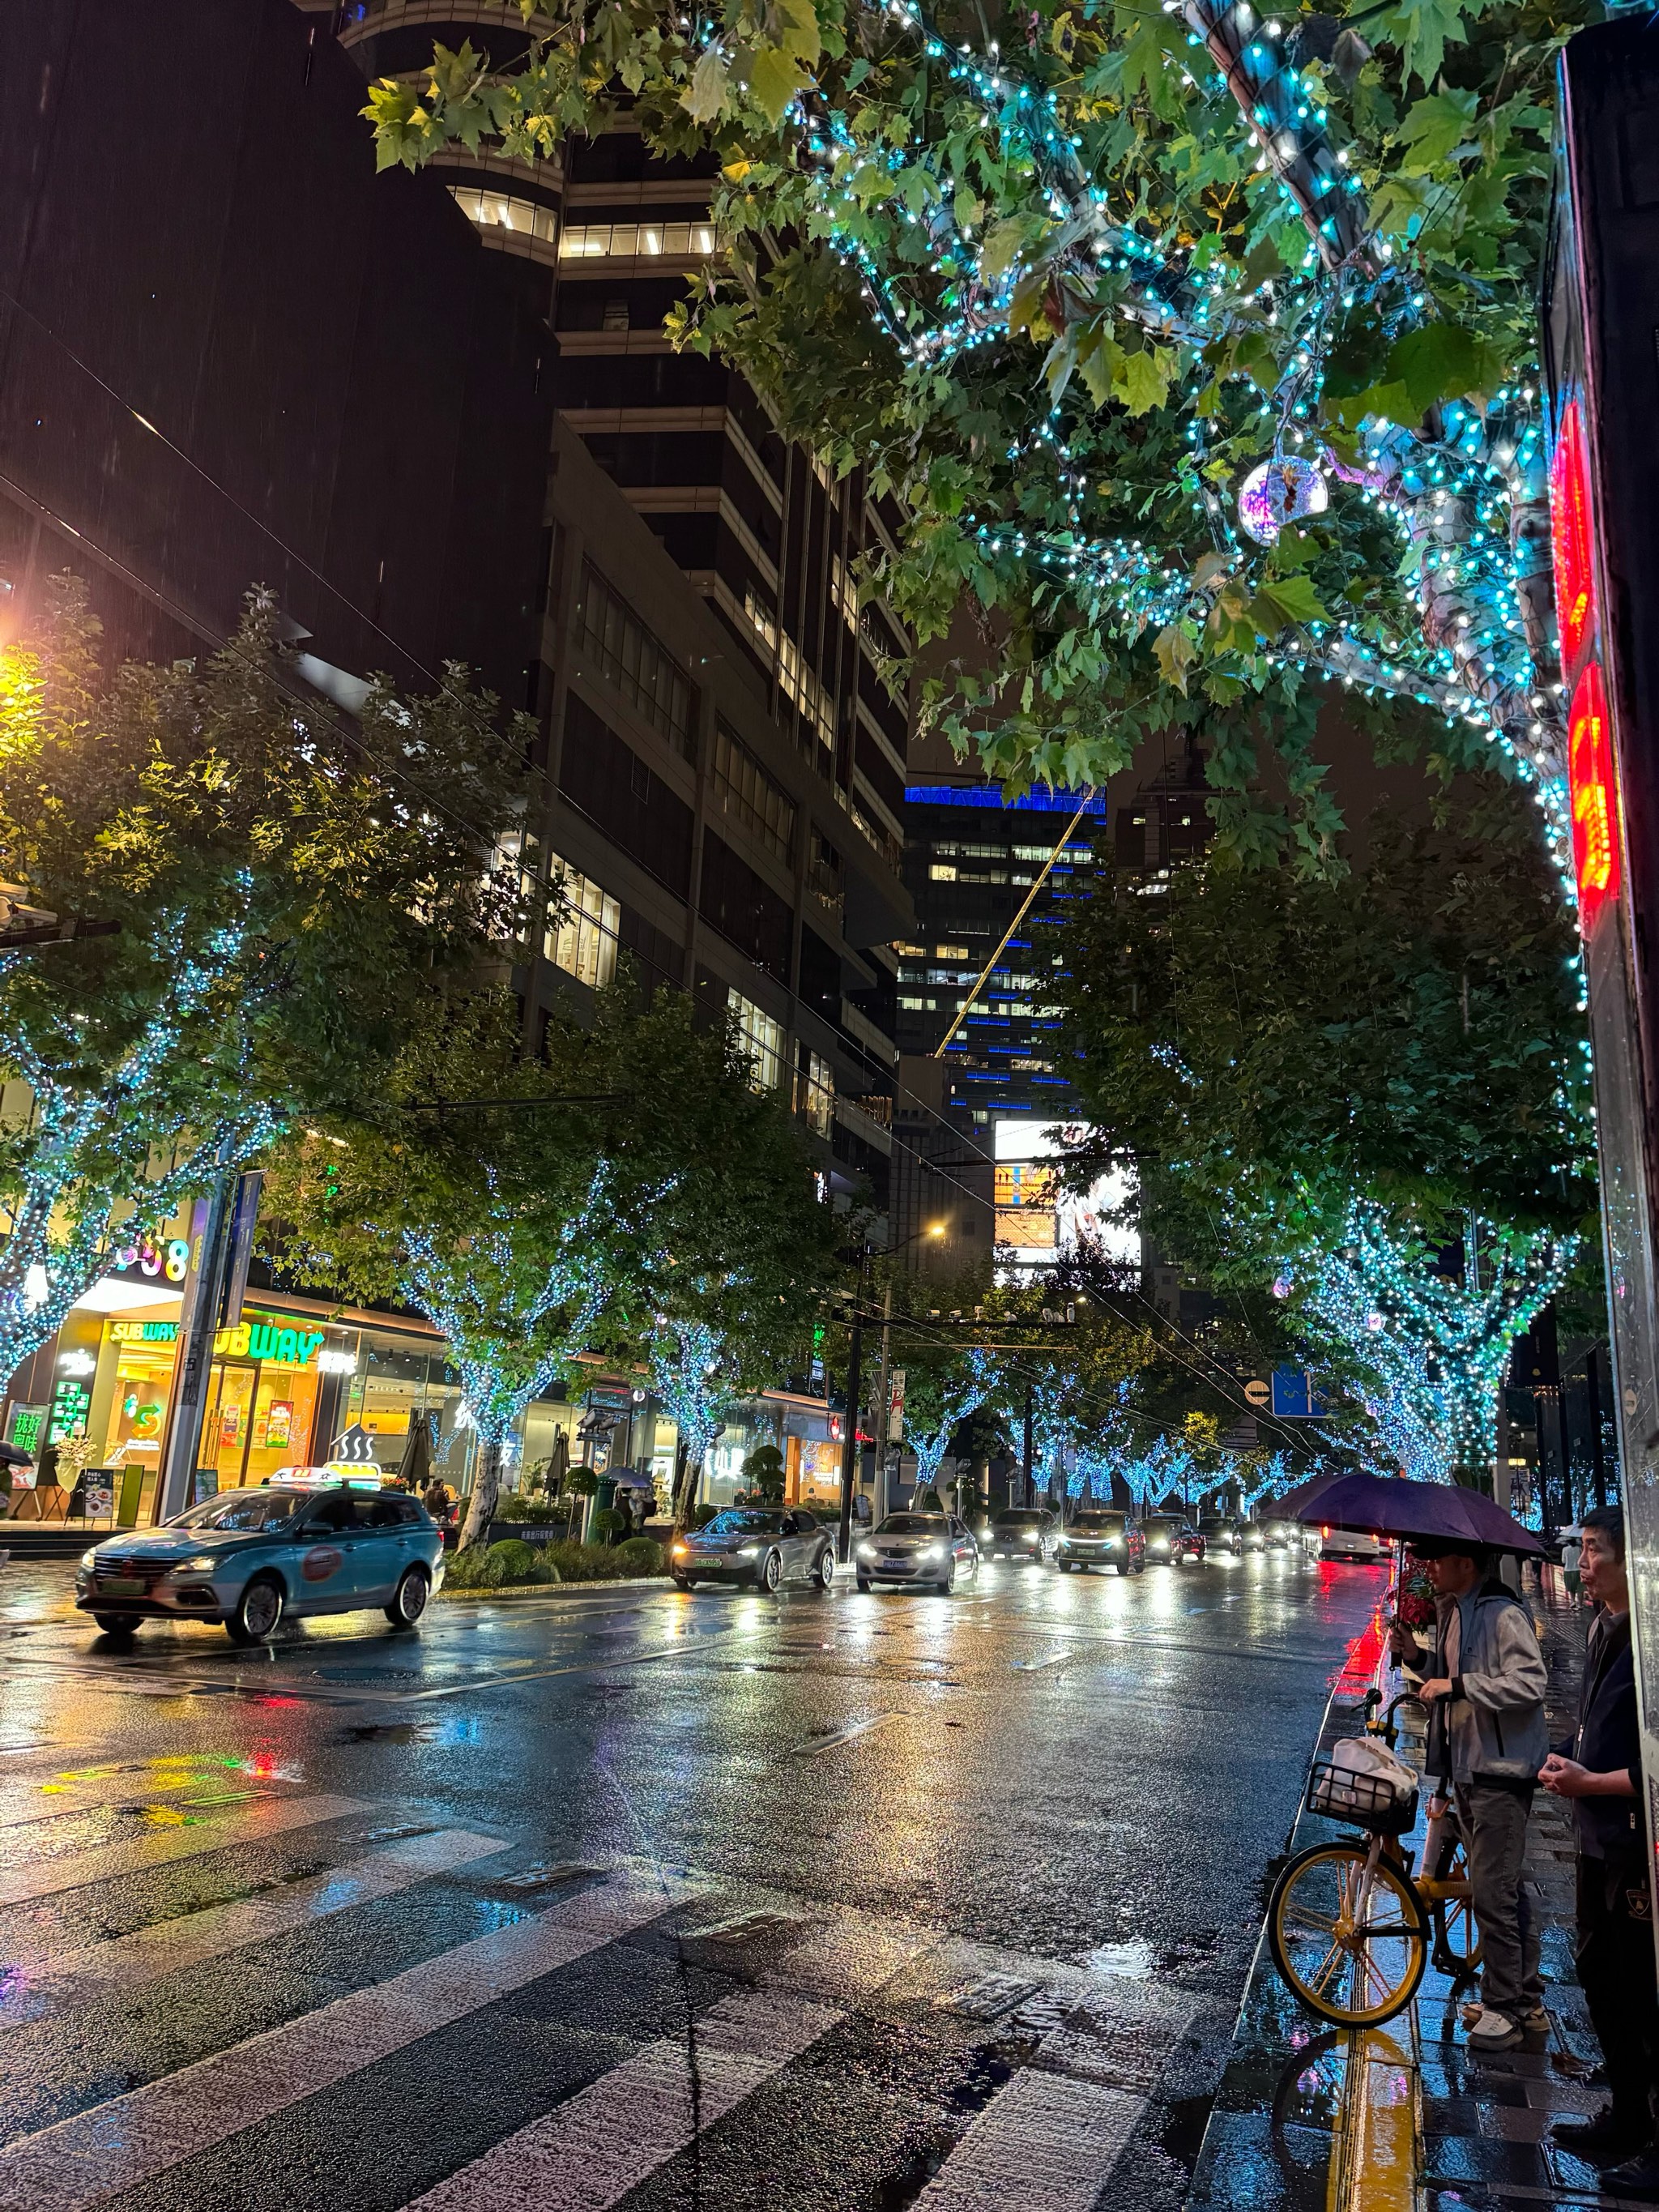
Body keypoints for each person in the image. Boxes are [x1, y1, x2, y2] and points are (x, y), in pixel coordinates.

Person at [1389, 1537, 1549, 2048]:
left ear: (1466, 1563)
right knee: (1502, 1888)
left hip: (1501, 1771)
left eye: (1438, 1559)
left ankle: (1506, 2008)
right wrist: (1415, 1655)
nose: (1429, 1568)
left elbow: (1529, 1683)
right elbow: (1449, 1676)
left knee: (1493, 1896)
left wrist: (1459, 1687)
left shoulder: (1503, 1613)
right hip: (1468, 1768)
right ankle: (1524, 1996)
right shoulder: (1457, 1611)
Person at [1542, 1505, 1659, 2188]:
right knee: (1602, 1982)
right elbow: (1590, 1728)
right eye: (1580, 1549)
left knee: (1644, 1995)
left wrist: (1593, 1782)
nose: (1580, 1563)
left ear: (1628, 1557)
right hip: (1592, 1837)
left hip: (1631, 1843)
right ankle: (1627, 2115)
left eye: (1592, 1550)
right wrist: (1560, 1760)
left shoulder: (1647, 1636)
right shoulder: (1600, 1627)